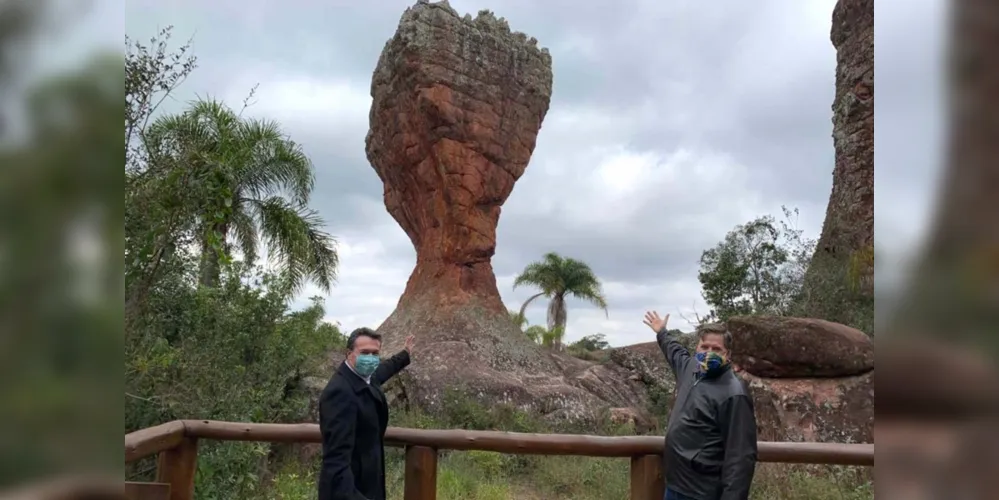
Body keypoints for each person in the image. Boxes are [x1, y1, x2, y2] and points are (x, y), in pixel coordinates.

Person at [643, 311, 757, 500]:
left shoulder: (734, 393)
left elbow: (741, 456)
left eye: (716, 348)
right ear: (696, 348)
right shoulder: (690, 368)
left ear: (727, 354)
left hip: (703, 492)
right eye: (704, 346)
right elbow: (674, 351)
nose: (708, 352)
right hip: (675, 485)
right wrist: (662, 331)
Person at [317, 327, 414, 500]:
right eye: (364, 352)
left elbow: (384, 370)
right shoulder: (340, 392)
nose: (370, 358)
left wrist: (405, 353)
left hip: (368, 485)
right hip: (351, 491)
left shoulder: (364, 378)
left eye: (375, 353)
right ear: (349, 354)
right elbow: (336, 462)